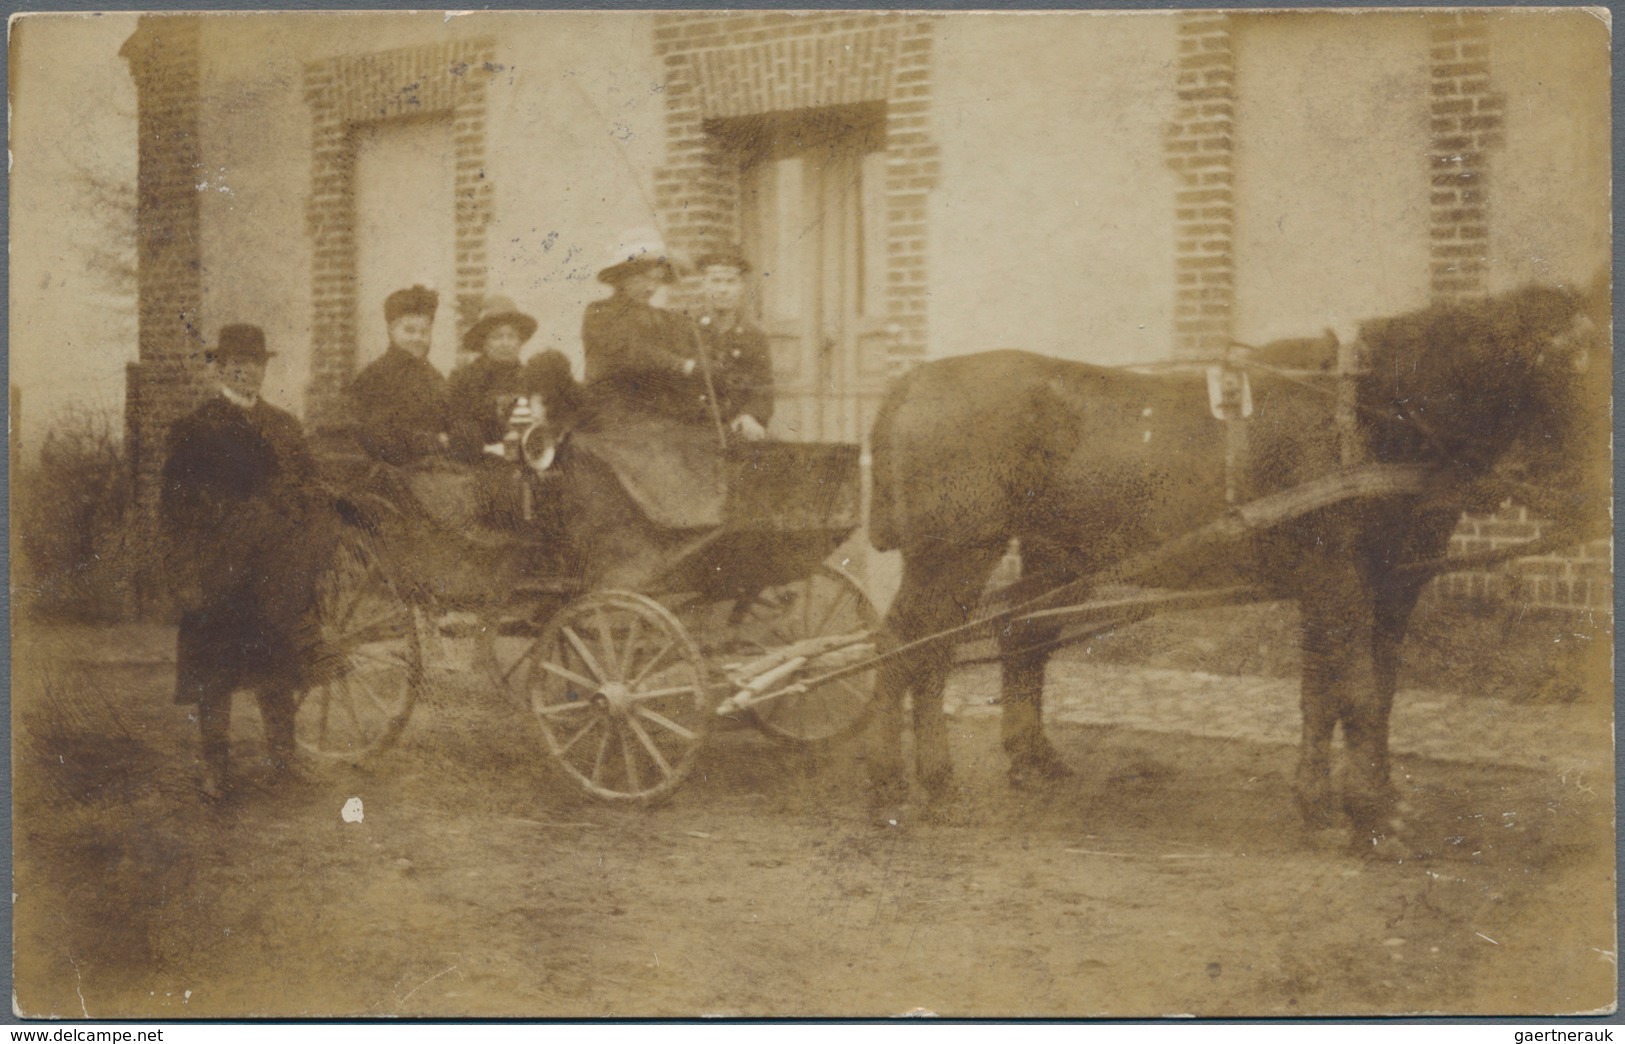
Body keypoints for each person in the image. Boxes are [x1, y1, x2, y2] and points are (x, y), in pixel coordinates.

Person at [160, 324, 337, 800]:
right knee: (214, 672)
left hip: (274, 571)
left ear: (264, 368)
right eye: (235, 362)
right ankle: (215, 768)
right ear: (219, 367)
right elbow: (175, 507)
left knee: (279, 664)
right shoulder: (197, 429)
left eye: (255, 362)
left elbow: (310, 489)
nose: (246, 370)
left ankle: (283, 760)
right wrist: (185, 572)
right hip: (218, 570)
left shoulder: (284, 427)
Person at [581, 229, 715, 428]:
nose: (651, 288)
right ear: (622, 278)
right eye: (644, 279)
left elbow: (688, 354)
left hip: (659, 416)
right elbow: (631, 353)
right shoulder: (600, 312)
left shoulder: (664, 318)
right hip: (612, 416)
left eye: (657, 279)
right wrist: (685, 365)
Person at [349, 284, 448, 465]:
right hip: (391, 472)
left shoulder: (434, 377)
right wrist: (433, 443)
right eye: (409, 330)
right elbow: (376, 435)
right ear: (391, 331)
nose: (417, 338)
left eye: (424, 332)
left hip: (435, 466)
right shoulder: (375, 377)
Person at [446, 295, 540, 463]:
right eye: (497, 337)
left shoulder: (532, 378)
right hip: (481, 464)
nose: (505, 343)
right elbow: (459, 430)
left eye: (511, 336)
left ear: (520, 342)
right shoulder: (464, 379)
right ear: (484, 342)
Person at [693, 250, 774, 441]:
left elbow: (762, 386)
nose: (723, 289)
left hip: (737, 426)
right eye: (716, 281)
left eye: (730, 282)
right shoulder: (687, 330)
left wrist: (751, 416)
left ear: (742, 287)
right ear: (703, 285)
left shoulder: (754, 336)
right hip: (694, 427)